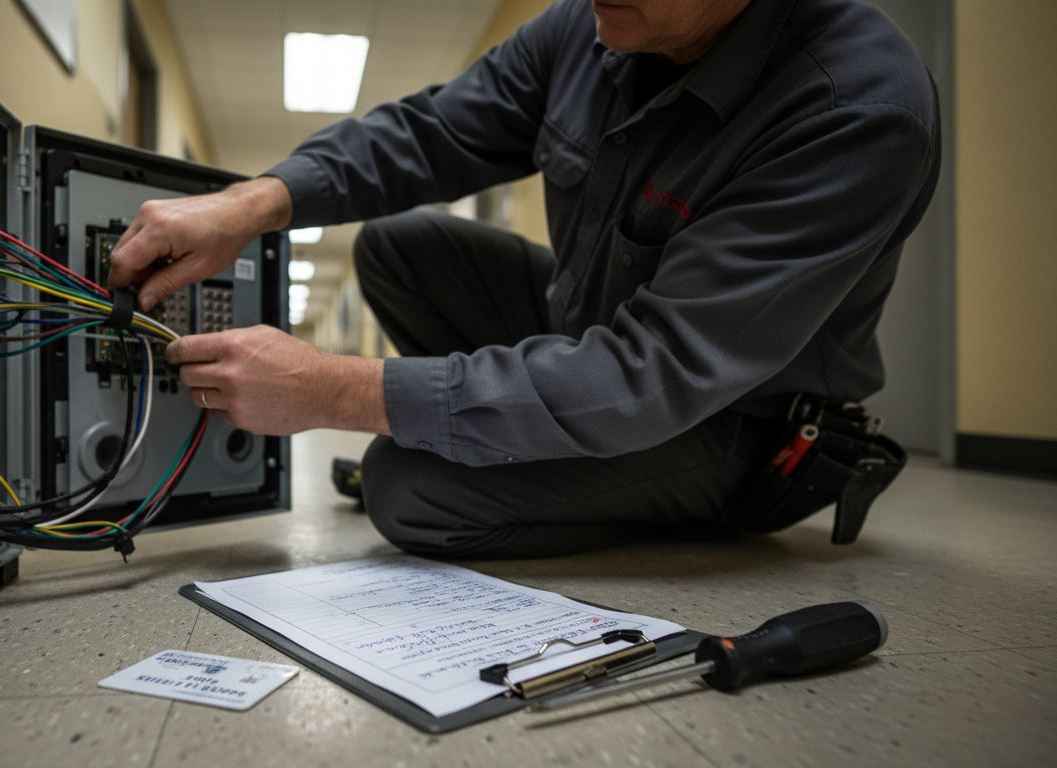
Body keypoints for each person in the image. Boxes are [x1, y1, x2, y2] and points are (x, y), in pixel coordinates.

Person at [107, 0, 941, 559]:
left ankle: (628, 492)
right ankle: (532, 446)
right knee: (399, 247)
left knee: (409, 488)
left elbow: (653, 373)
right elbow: (429, 134)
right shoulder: (595, 24)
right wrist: (249, 204)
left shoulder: (854, 109)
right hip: (602, 341)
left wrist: (334, 390)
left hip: (742, 425)